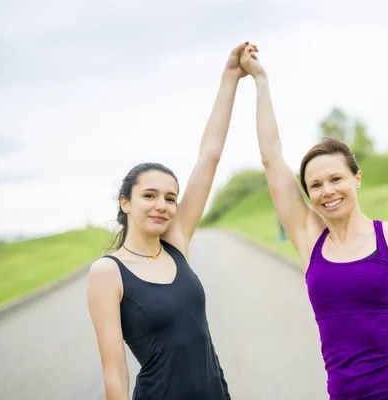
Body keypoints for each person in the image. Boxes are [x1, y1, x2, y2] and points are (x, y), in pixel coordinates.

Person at [239, 44, 388, 399]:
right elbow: (272, 159)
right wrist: (260, 80)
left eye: (336, 179)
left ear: (357, 178)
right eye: (315, 185)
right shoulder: (309, 239)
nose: (327, 191)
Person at [87, 41, 252, 400]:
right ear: (125, 203)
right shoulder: (108, 273)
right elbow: (114, 372)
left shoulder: (175, 245)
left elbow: (209, 155)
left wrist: (230, 78)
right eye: (149, 196)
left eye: (170, 197)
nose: (161, 205)